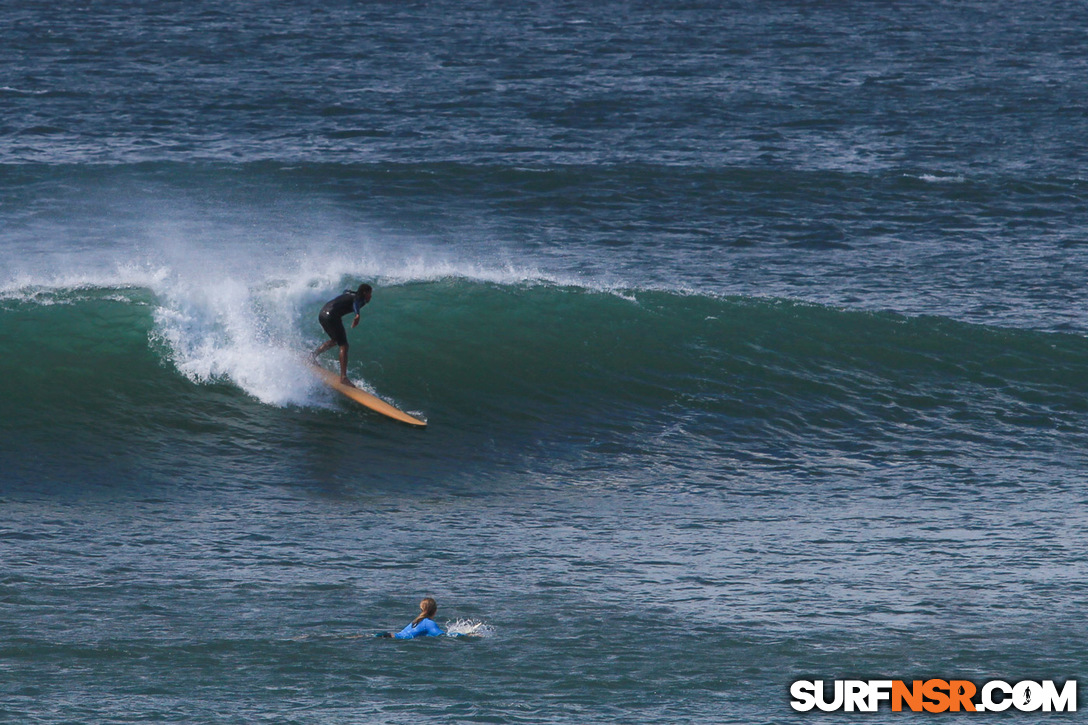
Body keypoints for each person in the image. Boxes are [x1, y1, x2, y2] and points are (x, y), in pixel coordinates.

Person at [312, 284, 372, 386]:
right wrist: (357, 314)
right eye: (370, 293)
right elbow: (356, 303)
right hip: (331, 317)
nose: (371, 296)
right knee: (344, 345)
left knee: (335, 340)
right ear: (365, 293)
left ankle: (312, 356)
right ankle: (343, 378)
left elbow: (346, 292)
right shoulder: (359, 299)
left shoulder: (350, 293)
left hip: (322, 314)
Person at [377, 597, 446, 639]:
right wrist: (456, 634)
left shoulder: (416, 622)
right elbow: (442, 636)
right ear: (435, 610)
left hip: (388, 636)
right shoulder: (429, 624)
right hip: (392, 639)